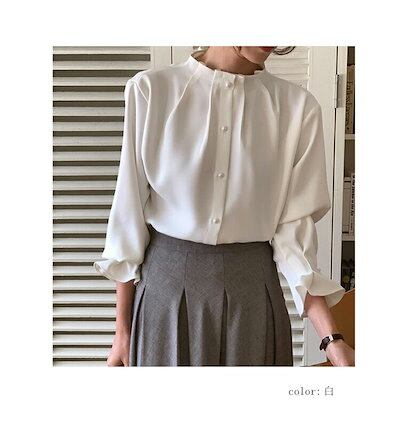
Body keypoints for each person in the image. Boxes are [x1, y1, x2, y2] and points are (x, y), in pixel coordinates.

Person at [94, 46, 355, 367]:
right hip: (165, 299)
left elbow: (294, 240)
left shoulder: (298, 109)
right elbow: (128, 218)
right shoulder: (150, 91)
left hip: (254, 301)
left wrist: (331, 340)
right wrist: (122, 333)